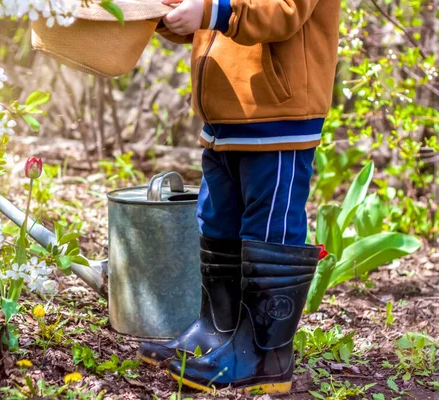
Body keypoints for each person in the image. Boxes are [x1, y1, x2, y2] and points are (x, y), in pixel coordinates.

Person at [137, 0, 340, 394]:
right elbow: (207, 17)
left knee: (268, 230)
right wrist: (169, 12)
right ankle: (218, 331)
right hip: (225, 114)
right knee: (217, 220)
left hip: (279, 113)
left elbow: (284, 11)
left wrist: (210, 12)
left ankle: (265, 355)